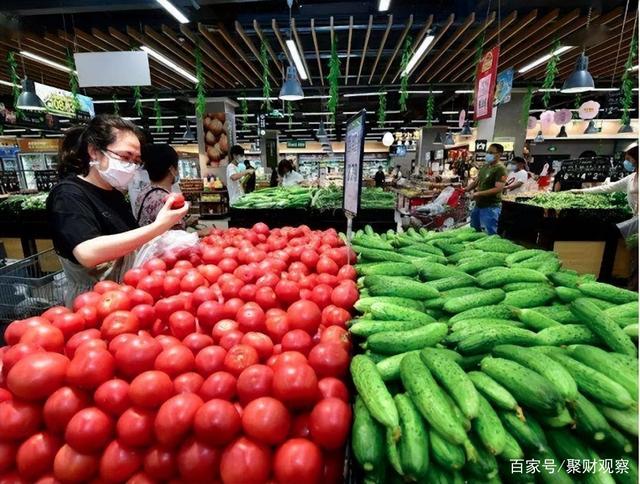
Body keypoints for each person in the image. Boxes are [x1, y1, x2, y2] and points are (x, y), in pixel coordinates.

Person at [46, 115, 187, 306]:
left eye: (136, 161)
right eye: (125, 157)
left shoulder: (114, 194)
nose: (131, 166)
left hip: (125, 292)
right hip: (93, 300)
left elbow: (130, 242)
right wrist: (159, 226)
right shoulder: (68, 194)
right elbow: (87, 253)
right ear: (94, 151)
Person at [572, 146, 638, 215]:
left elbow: (607, 188)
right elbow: (606, 188)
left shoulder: (606, 180)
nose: (625, 162)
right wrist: (580, 191)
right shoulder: (630, 178)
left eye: (628, 159)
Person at [134, 143, 186, 230]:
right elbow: (175, 235)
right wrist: (197, 233)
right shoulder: (166, 200)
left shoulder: (144, 192)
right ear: (172, 169)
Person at [465, 143, 507, 235]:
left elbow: (498, 188)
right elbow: (477, 181)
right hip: (479, 204)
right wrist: (467, 189)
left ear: (499, 154)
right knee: (474, 229)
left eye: (491, 152)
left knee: (490, 232)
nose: (488, 154)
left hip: (491, 206)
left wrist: (478, 194)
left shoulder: (500, 169)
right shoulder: (485, 166)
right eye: (487, 152)